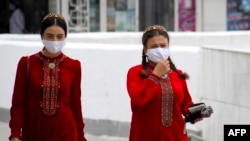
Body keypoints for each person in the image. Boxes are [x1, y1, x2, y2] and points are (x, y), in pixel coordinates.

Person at [9, 13, 87, 141]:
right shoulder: (26, 63)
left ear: (65, 37)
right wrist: (15, 134)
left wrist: (81, 137)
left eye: (59, 37)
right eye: (49, 36)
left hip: (67, 133)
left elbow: (76, 105)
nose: (55, 41)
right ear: (41, 36)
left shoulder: (74, 66)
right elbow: (18, 103)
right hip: (34, 133)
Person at [126, 25, 202, 141]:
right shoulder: (135, 72)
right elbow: (139, 99)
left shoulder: (178, 74)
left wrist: (196, 113)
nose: (159, 49)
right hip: (145, 137)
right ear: (146, 49)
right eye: (154, 46)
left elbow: (185, 103)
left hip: (176, 137)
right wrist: (155, 75)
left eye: (163, 46)